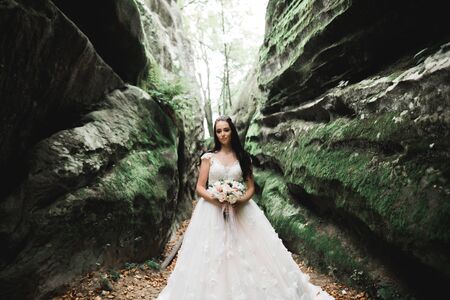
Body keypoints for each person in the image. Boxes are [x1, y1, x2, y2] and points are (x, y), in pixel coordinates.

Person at [156, 116, 334, 300]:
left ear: (232, 131)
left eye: (226, 129)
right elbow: (200, 187)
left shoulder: (243, 158)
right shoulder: (208, 158)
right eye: (219, 131)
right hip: (210, 211)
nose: (223, 134)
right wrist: (219, 199)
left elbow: (251, 188)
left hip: (241, 210)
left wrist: (238, 200)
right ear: (215, 134)